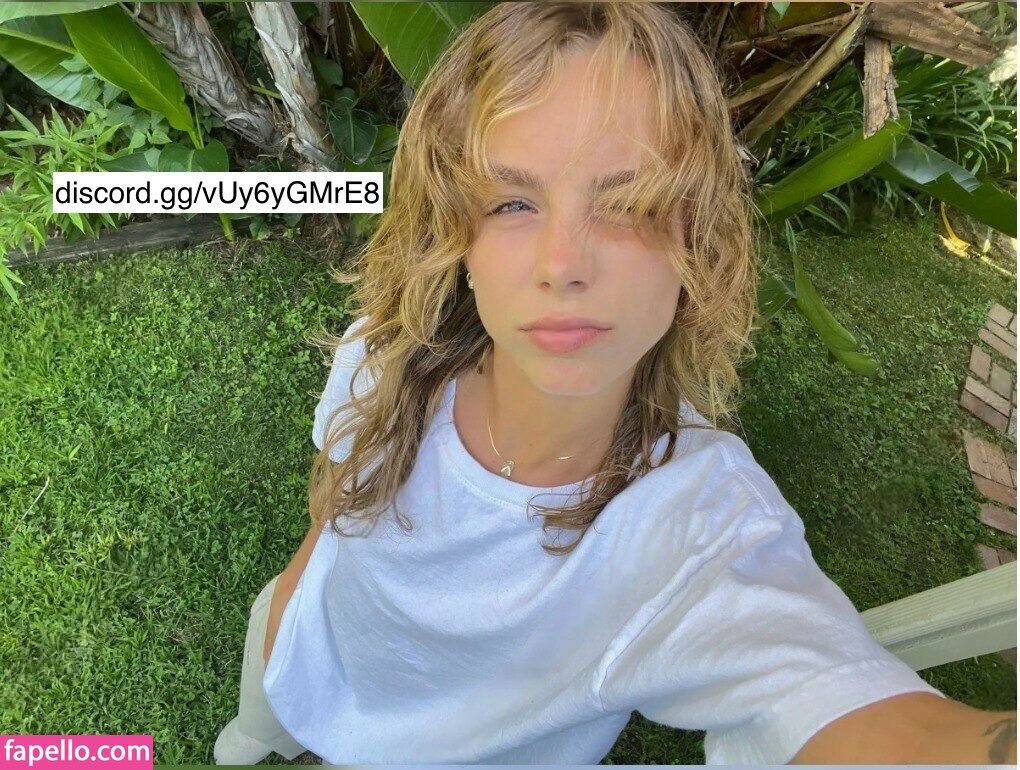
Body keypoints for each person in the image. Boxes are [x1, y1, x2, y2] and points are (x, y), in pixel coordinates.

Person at [214, 3, 1017, 765]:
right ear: (457, 236)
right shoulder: (385, 353)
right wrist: (286, 614)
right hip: (297, 639)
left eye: (630, 203)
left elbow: (829, 690)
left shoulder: (698, 524)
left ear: (697, 241)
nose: (563, 265)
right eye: (512, 202)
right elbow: (332, 510)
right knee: (251, 731)